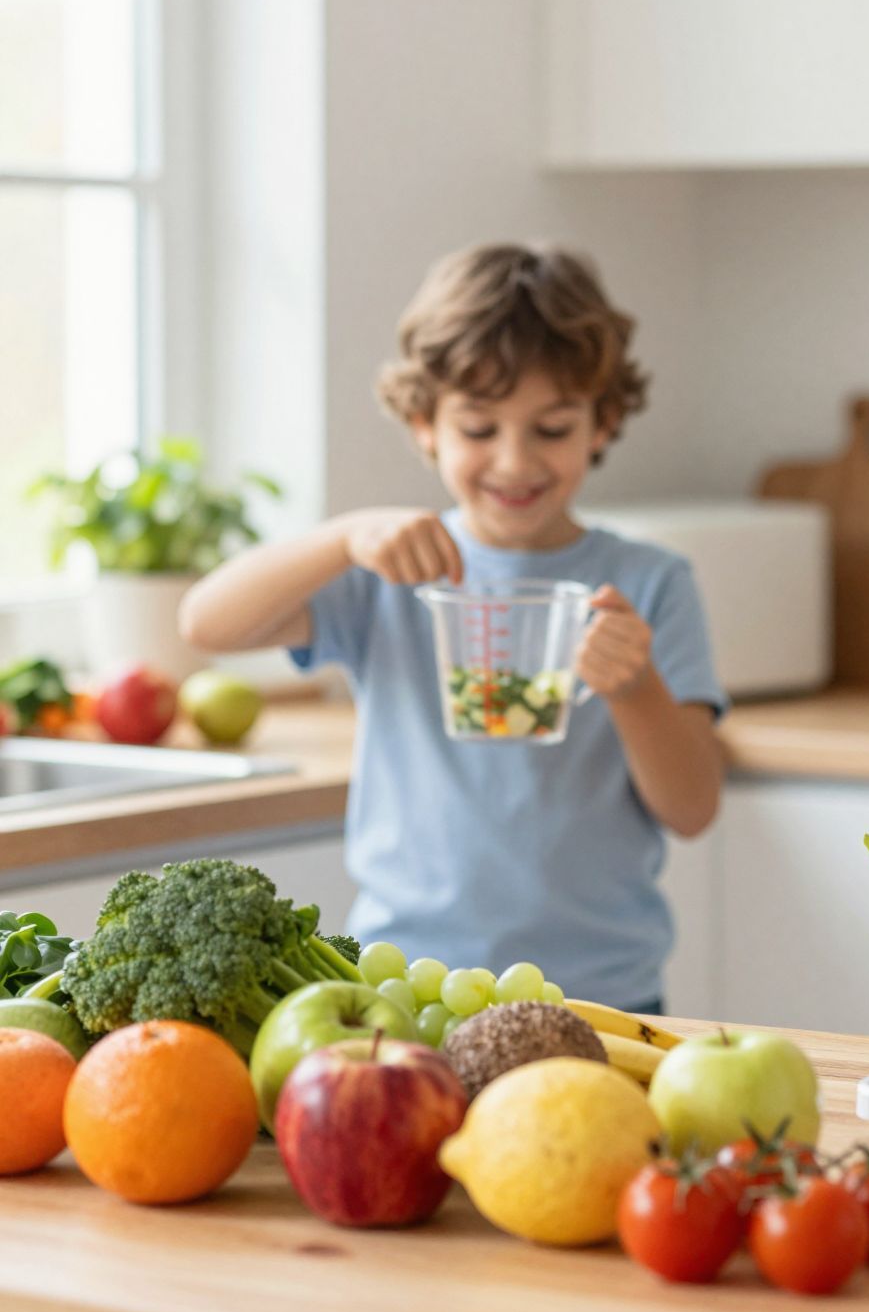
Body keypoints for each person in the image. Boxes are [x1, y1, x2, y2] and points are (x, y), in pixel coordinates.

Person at [180, 244, 726, 1015]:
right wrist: (343, 538)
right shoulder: (387, 571)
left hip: (602, 998)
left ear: (602, 422)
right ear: (424, 425)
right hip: (405, 989)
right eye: (477, 427)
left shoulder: (649, 584)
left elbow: (693, 809)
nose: (514, 460)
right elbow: (205, 622)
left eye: (552, 428)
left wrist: (635, 688)